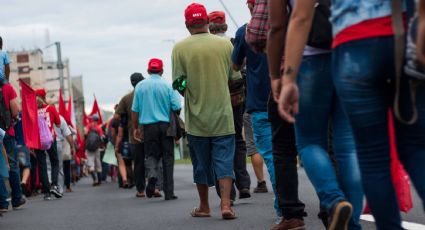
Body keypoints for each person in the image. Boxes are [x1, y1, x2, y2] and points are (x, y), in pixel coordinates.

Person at [278, 0, 425, 229]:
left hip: (351, 45)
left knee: (371, 155)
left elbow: (300, 17)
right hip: (403, 35)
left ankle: (340, 204)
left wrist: (288, 78)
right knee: (414, 147)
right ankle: (351, 218)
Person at [276, 0, 364, 229]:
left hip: (310, 60)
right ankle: (352, 224)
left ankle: (334, 201)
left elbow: (278, 25)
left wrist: (283, 78)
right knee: (348, 146)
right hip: (350, 54)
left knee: (309, 143)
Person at [172, 3, 241, 219]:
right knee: (224, 162)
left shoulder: (179, 48)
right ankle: (226, 205)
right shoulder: (225, 46)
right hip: (223, 115)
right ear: (207, 22)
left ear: (186, 24)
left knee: (201, 164)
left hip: (197, 119)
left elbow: (179, 82)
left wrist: (190, 94)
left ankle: (204, 206)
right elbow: (236, 80)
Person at [232, 0, 284, 220]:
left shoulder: (244, 31)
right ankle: (330, 200)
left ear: (250, 6)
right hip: (288, 97)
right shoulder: (288, 23)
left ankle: (284, 205)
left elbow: (235, 65)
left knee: (270, 154)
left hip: (259, 102)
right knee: (294, 152)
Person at [208, 10, 252, 201]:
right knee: (238, 139)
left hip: (216, 100)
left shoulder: (209, 46)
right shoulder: (233, 42)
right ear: (225, 24)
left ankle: (228, 191)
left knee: (220, 142)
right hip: (237, 98)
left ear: (210, 25)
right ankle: (244, 183)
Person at [132, 58, 181, 200]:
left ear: (148, 71)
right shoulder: (168, 85)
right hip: (166, 126)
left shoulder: (140, 86)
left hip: (148, 127)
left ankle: (152, 176)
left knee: (151, 155)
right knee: (167, 158)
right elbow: (177, 106)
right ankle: (169, 192)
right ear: (162, 70)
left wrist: (136, 128)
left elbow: (135, 110)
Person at [0, 78, 25, 211]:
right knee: (12, 164)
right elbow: (15, 111)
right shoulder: (7, 88)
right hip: (6, 130)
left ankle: (2, 202)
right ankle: (17, 199)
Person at [34, 89, 62, 200]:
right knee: (54, 161)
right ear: (44, 97)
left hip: (38, 141)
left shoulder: (32, 110)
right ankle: (54, 185)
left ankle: (46, 192)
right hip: (50, 138)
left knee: (42, 165)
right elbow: (59, 124)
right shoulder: (50, 108)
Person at [55, 115, 76, 193]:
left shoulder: (55, 126)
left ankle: (58, 186)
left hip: (59, 150)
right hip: (66, 152)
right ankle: (67, 186)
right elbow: (74, 132)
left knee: (58, 168)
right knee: (66, 170)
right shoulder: (66, 128)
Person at [14, 113, 32, 197]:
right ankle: (23, 182)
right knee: (26, 166)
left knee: (15, 167)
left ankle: (17, 188)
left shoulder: (9, 116)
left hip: (13, 145)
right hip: (23, 144)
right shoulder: (23, 115)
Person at [85, 114, 105, 186]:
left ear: (92, 119)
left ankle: (94, 179)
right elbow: (102, 138)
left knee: (91, 164)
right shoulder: (99, 128)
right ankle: (99, 180)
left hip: (89, 148)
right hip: (96, 148)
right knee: (98, 164)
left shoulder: (88, 126)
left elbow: (85, 134)